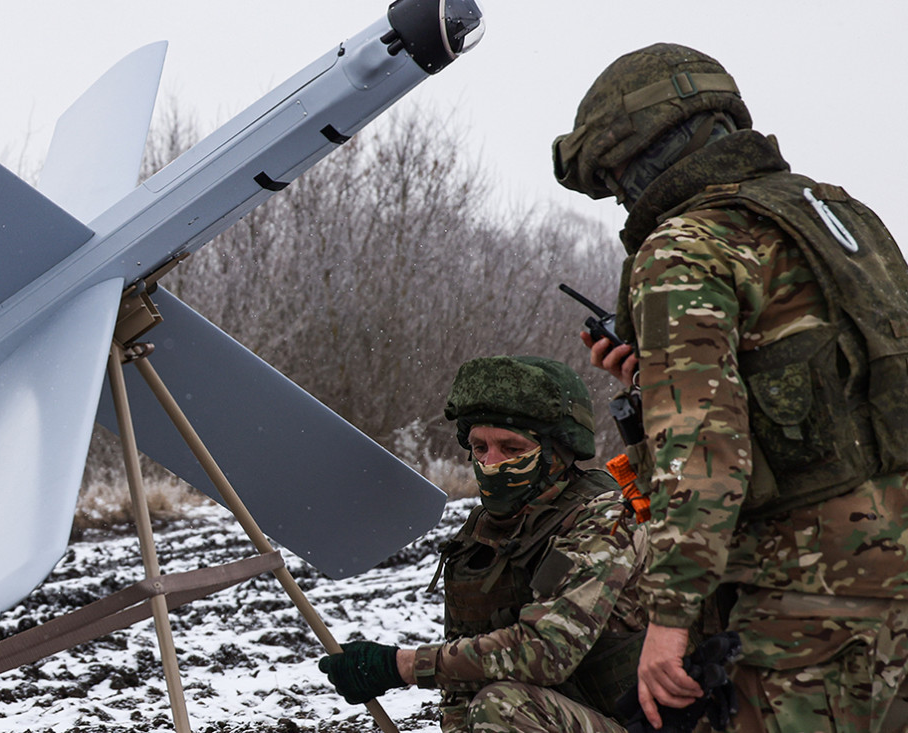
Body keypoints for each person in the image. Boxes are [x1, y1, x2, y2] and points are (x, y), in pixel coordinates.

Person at [554, 42, 908, 732]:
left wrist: (669, 623)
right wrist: (651, 379)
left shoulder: (682, 246)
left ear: (647, 151)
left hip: (804, 610)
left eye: (618, 175)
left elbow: (704, 459)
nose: (623, 194)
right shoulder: (840, 216)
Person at [318, 355, 648, 732]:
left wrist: (403, 665)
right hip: (562, 717)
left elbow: (547, 650)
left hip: (644, 724)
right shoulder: (484, 536)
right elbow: (465, 683)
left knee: (503, 707)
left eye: (512, 449)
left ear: (557, 453)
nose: (492, 464)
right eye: (480, 448)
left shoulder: (610, 518)